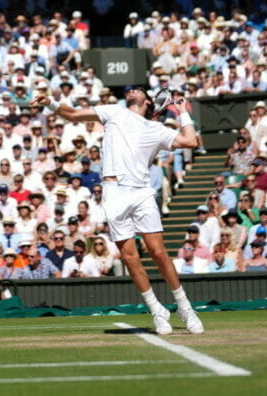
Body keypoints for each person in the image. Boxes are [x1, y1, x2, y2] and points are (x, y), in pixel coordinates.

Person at [36, 85, 203, 335]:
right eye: (129, 90)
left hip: (142, 191)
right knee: (130, 256)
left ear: (149, 102)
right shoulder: (113, 111)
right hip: (114, 192)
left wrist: (182, 111)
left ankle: (185, 307)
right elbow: (71, 114)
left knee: (158, 252)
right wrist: (49, 102)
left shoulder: (157, 129)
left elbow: (190, 140)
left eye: (137, 89)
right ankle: (157, 310)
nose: (131, 91)